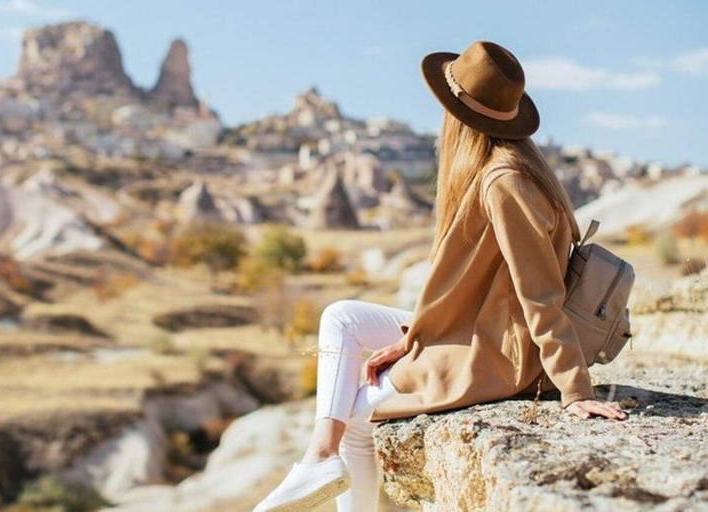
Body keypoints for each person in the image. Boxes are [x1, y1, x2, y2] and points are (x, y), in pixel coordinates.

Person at [254, 40, 627, 512]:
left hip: (502, 350)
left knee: (357, 413)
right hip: (480, 326)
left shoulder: (503, 181)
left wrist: (575, 390)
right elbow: (478, 288)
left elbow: (539, 294)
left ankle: (324, 458)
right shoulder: (503, 170)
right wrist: (417, 338)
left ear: (458, 116)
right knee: (341, 317)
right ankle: (319, 456)